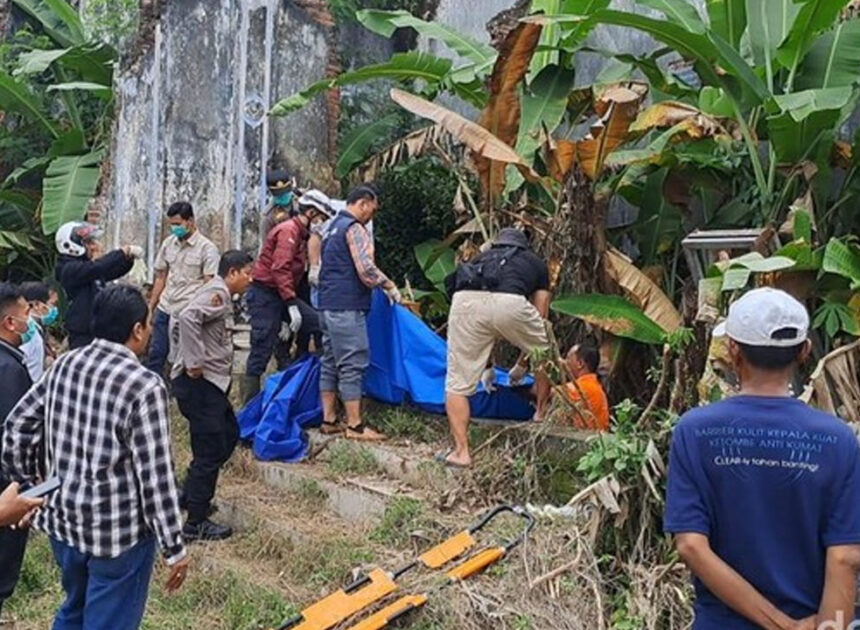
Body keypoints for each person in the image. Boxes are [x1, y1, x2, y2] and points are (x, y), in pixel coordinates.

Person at [664, 288, 860, 630]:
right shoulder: (838, 440)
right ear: (805, 351)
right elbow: (844, 557)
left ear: (733, 350)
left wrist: (779, 625)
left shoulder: (694, 431)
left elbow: (691, 546)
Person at [2, 284, 190, 630]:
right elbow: (156, 476)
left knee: (74, 609)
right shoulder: (143, 386)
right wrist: (174, 547)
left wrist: (30, 488)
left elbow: (16, 426)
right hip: (117, 537)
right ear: (137, 330)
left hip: (64, 525)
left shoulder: (65, 364)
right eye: (148, 324)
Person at [442, 228, 551, 468]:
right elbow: (541, 317)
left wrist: (487, 368)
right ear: (524, 246)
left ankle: (461, 452)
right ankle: (541, 413)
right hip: (510, 302)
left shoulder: (480, 258)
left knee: (457, 382)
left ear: (496, 244)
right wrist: (524, 363)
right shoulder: (535, 263)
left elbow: (482, 330)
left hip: (465, 301)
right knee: (546, 355)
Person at [171, 250, 253, 541]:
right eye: (246, 273)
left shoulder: (219, 294)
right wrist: (192, 362)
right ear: (232, 273)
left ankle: (191, 495)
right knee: (209, 450)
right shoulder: (217, 292)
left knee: (228, 435)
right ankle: (195, 522)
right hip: (201, 385)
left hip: (211, 387)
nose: (249, 279)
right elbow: (186, 317)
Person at [317, 185, 401, 441]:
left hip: (326, 304)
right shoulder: (354, 228)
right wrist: (388, 284)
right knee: (353, 362)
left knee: (330, 361)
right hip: (347, 306)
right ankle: (355, 426)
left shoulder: (330, 228)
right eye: (371, 210)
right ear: (363, 203)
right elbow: (366, 269)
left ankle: (329, 420)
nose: (371, 216)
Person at [241, 191, 330, 403]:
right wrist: (290, 306)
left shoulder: (302, 235)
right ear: (310, 213)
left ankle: (296, 387)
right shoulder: (288, 231)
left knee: (317, 324)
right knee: (261, 349)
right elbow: (280, 269)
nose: (321, 224)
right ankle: (249, 406)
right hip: (266, 295)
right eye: (321, 218)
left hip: (282, 295)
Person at [146, 202, 220, 378]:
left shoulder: (207, 249)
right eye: (172, 224)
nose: (174, 228)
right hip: (165, 308)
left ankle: (177, 396)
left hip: (186, 312)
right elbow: (161, 277)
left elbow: (209, 285)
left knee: (182, 358)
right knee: (156, 353)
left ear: (191, 221)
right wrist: (151, 307)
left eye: (178, 224)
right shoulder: (168, 244)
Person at [0, 283, 33, 616]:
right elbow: (12, 440)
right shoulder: (8, 370)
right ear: (10, 322)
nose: (31, 319)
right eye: (26, 313)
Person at [54, 221, 142, 349]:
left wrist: (127, 259)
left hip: (96, 328)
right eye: (88, 243)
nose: (93, 246)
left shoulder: (87, 268)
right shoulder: (68, 269)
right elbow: (99, 267)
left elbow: (110, 271)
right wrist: (121, 253)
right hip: (82, 332)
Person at [563, 341, 609, 431]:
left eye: (568, 358)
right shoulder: (596, 386)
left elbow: (546, 393)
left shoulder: (580, 388)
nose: (565, 362)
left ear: (580, 363)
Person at [18, 282, 59, 382]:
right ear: (36, 305)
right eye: (52, 304)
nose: (54, 309)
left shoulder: (35, 329)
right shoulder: (29, 334)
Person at [260, 168, 297, 236]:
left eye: (285, 192)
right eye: (279, 194)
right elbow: (267, 244)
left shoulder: (301, 203)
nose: (282, 196)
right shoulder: (268, 216)